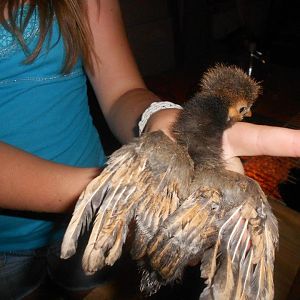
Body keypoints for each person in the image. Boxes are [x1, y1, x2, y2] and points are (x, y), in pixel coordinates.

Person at [0, 0, 299, 299]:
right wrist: (117, 194)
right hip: (9, 243)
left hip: (96, 228)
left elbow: (122, 92)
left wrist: (167, 120)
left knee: (83, 287)